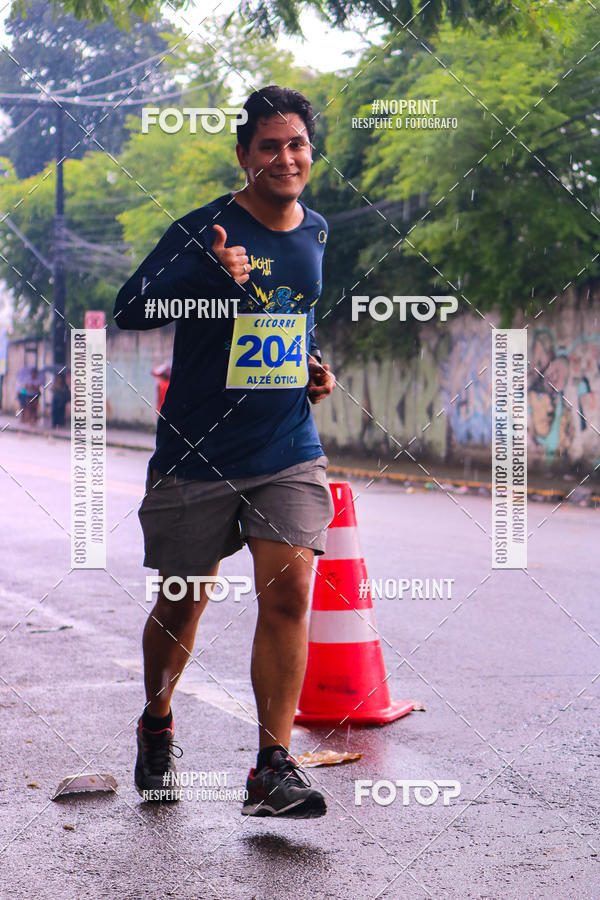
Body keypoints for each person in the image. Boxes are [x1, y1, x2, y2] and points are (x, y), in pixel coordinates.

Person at [113, 85, 336, 818]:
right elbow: (131, 308)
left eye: (297, 144)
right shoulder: (201, 231)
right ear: (243, 155)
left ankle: (272, 766)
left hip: (287, 446)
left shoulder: (317, 231)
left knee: (290, 593)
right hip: (198, 453)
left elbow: (291, 318)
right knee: (183, 602)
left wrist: (312, 366)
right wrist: (205, 277)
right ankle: (157, 720)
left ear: (311, 152)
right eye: (269, 146)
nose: (285, 158)